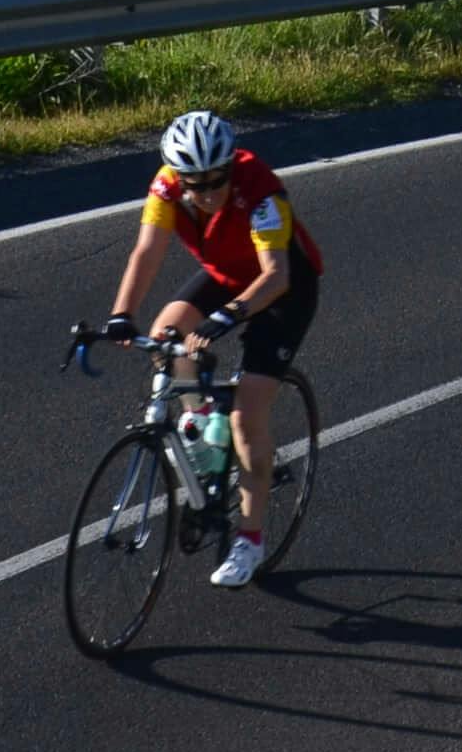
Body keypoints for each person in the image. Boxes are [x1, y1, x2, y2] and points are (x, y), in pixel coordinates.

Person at [99, 108, 321, 587]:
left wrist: (227, 316)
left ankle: (250, 540)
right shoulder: (166, 188)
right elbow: (147, 252)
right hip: (226, 275)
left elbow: (276, 275)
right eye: (194, 184)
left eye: (216, 180)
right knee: (165, 337)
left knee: (246, 416)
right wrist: (121, 314)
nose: (206, 192)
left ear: (230, 167)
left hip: (282, 287)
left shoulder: (260, 188)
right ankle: (202, 429)